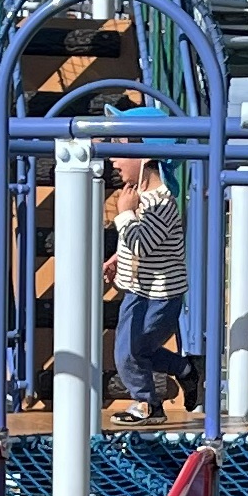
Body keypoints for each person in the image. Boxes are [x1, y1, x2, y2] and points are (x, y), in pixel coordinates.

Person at [106, 155, 190, 421]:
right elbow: (142, 242)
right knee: (139, 350)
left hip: (158, 296)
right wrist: (118, 258)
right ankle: (185, 369)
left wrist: (124, 213)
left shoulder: (161, 202)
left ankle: (148, 405)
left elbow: (142, 245)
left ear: (144, 159)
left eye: (120, 153)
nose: (113, 161)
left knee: (129, 352)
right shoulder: (140, 196)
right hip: (139, 290)